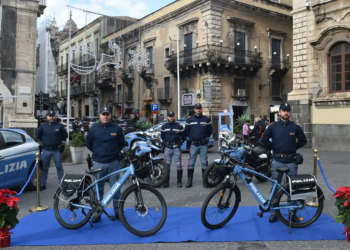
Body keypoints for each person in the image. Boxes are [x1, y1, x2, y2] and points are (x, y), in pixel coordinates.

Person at [261, 102, 307, 223]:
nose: (286, 112)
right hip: (277, 161)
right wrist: (274, 147)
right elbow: (264, 139)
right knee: (275, 188)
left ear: (289, 112)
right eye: (284, 110)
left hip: (291, 162)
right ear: (279, 113)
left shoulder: (295, 127)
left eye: (288, 110)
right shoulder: (273, 127)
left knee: (292, 188)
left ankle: (292, 213)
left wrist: (293, 148)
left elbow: (303, 140)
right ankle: (274, 212)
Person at [86, 107, 126, 223]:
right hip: (99, 163)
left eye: (107, 114)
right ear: (99, 115)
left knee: (116, 189)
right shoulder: (93, 129)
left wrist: (113, 152)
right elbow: (89, 143)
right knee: (98, 189)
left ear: (110, 115)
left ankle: (118, 212)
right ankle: (97, 212)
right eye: (103, 114)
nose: (105, 116)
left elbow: (121, 143)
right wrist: (98, 152)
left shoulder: (116, 129)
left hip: (113, 162)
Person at [36, 110, 68, 191]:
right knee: (44, 168)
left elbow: (65, 136)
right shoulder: (43, 126)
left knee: (59, 167)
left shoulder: (59, 126)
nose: (51, 117)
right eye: (50, 116)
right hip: (46, 150)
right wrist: (41, 143)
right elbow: (38, 136)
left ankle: (62, 184)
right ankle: (43, 184)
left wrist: (62, 145)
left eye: (53, 116)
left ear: (55, 117)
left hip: (57, 150)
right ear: (47, 117)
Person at [185, 103, 213, 188]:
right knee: (191, 163)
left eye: (199, 108)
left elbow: (210, 131)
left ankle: (205, 181)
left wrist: (205, 137)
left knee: (204, 162)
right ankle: (189, 181)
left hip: (203, 144)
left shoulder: (206, 119)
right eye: (197, 109)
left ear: (201, 109)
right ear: (194, 110)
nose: (198, 110)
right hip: (193, 144)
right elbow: (187, 131)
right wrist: (192, 137)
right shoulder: (189, 120)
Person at [161, 112, 186, 188]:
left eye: (172, 116)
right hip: (168, 147)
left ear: (174, 117)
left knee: (178, 164)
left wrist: (180, 143)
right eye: (170, 116)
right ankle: (166, 182)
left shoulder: (179, 126)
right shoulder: (164, 126)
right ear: (168, 117)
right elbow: (162, 137)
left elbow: (184, 136)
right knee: (167, 165)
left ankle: (179, 182)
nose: (171, 117)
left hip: (176, 148)